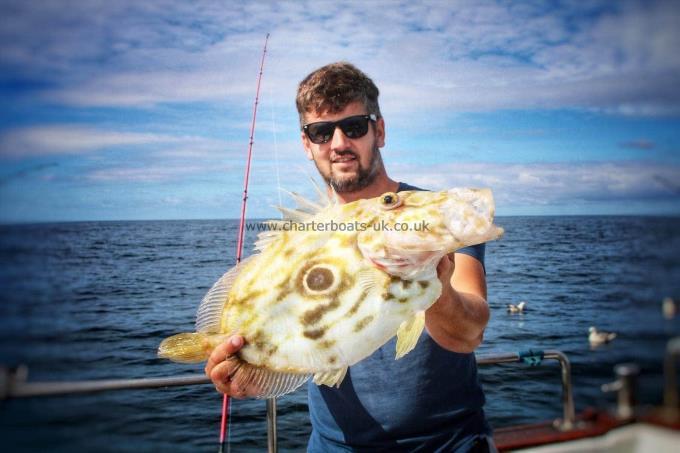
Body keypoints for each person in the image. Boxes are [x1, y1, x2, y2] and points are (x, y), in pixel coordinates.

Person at [205, 62, 495, 452]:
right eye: (322, 132)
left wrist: (435, 286)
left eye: (354, 126)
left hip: (449, 444)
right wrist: (250, 373)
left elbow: (469, 333)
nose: (339, 142)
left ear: (380, 130)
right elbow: (299, 345)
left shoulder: (423, 215)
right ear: (307, 144)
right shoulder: (300, 239)